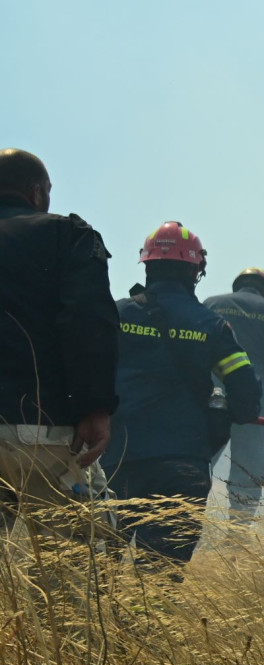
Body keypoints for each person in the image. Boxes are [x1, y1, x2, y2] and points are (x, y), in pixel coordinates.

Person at [101, 222, 260, 571]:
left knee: (97, 574)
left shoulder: (116, 315)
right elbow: (247, 400)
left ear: (147, 266)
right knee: (159, 577)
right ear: (195, 270)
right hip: (181, 466)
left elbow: (82, 374)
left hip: (114, 461)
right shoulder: (212, 326)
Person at [0, 148, 120, 543]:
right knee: (74, 566)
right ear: (37, 192)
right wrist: (95, 407)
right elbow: (89, 324)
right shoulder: (67, 235)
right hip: (42, 431)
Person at [204, 268, 264, 512]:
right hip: (254, 405)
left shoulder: (211, 303)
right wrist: (260, 371)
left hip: (208, 400)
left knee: (197, 462)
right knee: (247, 473)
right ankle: (240, 529)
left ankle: (181, 521)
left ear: (239, 285)